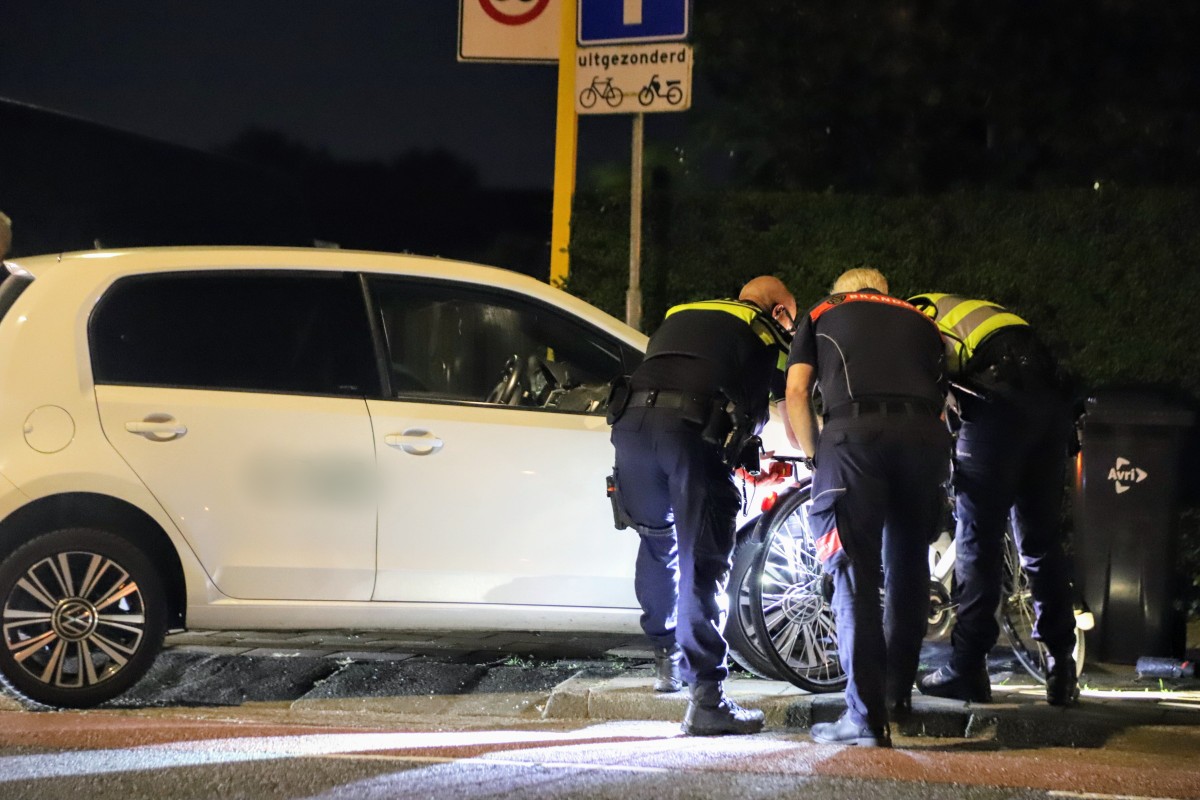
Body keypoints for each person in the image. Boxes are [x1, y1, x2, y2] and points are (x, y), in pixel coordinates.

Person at [609, 275, 796, 736]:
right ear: (778, 311)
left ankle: (666, 662)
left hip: (631, 428)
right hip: (687, 433)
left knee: (657, 542)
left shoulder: (683, 313)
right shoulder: (762, 331)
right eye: (792, 315)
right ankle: (707, 700)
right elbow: (783, 404)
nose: (792, 327)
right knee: (702, 560)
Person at [784, 267, 950, 748]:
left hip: (855, 438)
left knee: (854, 573)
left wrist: (817, 456)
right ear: (885, 292)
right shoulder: (922, 321)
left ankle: (865, 716)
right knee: (909, 569)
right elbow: (941, 399)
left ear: (844, 292)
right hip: (924, 441)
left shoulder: (822, 312)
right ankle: (898, 696)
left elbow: (797, 392)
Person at [908, 293, 1080, 707]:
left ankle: (966, 668)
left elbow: (920, 388)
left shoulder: (913, 314)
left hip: (998, 406)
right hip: (1051, 408)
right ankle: (1062, 667)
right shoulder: (969, 309)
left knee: (978, 537)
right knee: (1040, 541)